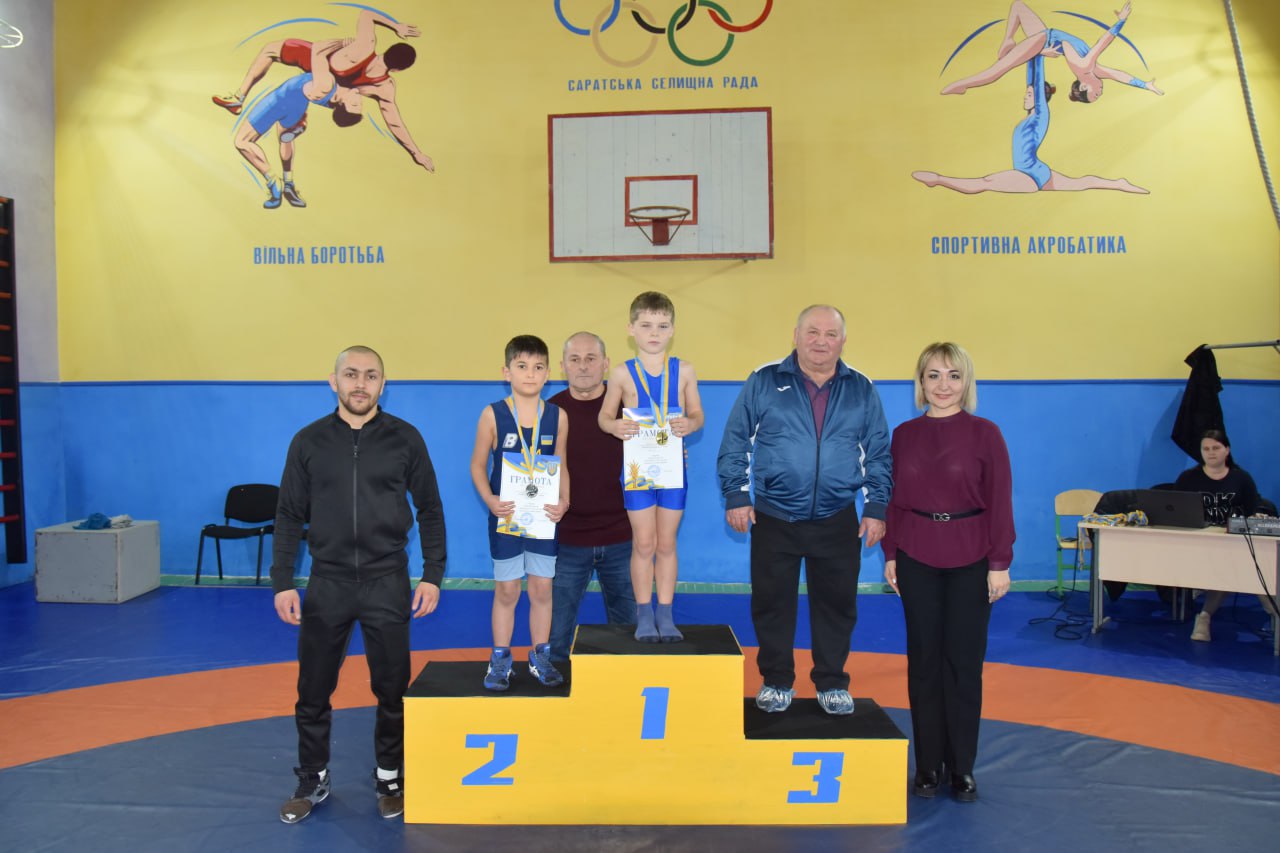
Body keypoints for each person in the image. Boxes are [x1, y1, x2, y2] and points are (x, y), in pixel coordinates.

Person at [270, 345, 446, 824]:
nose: (360, 384)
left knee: (392, 688)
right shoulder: (308, 441)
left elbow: (430, 508)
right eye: (351, 374)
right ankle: (313, 777)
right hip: (326, 582)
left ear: (383, 384)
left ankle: (389, 776)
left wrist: (432, 574)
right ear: (334, 381)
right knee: (313, 689)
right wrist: (282, 581)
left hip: (387, 580)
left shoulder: (405, 438)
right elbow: (288, 514)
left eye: (371, 375)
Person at [717, 305, 892, 716]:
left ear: (843, 341)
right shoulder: (764, 380)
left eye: (830, 334)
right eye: (812, 332)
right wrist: (737, 495)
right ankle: (776, 680)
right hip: (774, 516)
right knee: (772, 603)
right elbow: (736, 440)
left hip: (837, 517)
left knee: (837, 605)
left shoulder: (861, 388)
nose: (820, 341)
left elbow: (878, 452)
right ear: (795, 335)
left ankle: (831, 681)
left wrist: (876, 506)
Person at [882, 342, 1014, 803]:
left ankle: (962, 767)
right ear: (920, 382)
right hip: (916, 556)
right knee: (923, 664)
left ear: (966, 382)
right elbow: (892, 499)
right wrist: (891, 553)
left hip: (972, 559)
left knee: (963, 664)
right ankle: (928, 765)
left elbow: (1000, 501)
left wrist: (1000, 563)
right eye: (934, 375)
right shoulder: (903, 435)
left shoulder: (986, 434)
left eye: (953, 375)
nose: (943, 385)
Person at [598, 292, 704, 643]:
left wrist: (690, 424)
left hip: (672, 469)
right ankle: (644, 614)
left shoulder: (685, 371)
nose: (654, 333)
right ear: (631, 329)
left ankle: (666, 614)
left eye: (661, 326)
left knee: (666, 543)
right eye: (645, 325)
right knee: (643, 543)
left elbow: (697, 414)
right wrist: (614, 426)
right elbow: (604, 417)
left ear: (672, 329)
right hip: (638, 470)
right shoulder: (621, 374)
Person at [213, 9, 435, 172]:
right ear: (397, 69)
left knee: (269, 50)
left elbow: (367, 14)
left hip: (318, 64)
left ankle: (239, 97)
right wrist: (416, 153)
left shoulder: (364, 45)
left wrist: (396, 26)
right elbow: (394, 122)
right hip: (327, 87)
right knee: (322, 95)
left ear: (388, 50)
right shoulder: (384, 87)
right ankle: (298, 119)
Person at [470, 335, 570, 689]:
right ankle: (499, 660)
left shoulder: (557, 416)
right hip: (507, 515)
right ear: (507, 372)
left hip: (543, 517)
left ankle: (540, 657)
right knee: (508, 590)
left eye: (538, 367)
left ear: (548, 374)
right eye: (522, 366)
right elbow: (477, 465)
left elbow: (562, 464)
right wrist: (490, 499)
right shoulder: (493, 414)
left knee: (542, 589)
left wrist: (565, 501)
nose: (530, 374)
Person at [913, 51, 1148, 194]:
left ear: (1037, 98)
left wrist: (1040, 55)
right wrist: (1033, 54)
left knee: (984, 183)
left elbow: (1036, 79)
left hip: (1028, 176)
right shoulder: (1031, 117)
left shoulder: (1040, 115)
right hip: (1037, 170)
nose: (1025, 97)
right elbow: (1030, 79)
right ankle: (1118, 183)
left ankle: (938, 180)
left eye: (1029, 94)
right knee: (1081, 183)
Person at [546, 332, 637, 661]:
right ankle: (555, 680)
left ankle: (626, 682)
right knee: (556, 634)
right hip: (567, 539)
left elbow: (655, 457)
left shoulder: (628, 410)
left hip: (622, 537)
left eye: (590, 358)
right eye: (575, 359)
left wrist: (671, 455)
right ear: (563, 366)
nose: (583, 366)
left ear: (606, 364)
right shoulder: (548, 413)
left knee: (629, 632)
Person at [942, 2, 1161, 104]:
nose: (1100, 93)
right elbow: (1121, 74)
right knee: (1018, 6)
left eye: (1095, 95)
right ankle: (1008, 40)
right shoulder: (1093, 70)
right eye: (1097, 96)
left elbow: (1080, 45)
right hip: (1045, 37)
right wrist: (1145, 85)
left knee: (999, 69)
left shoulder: (1086, 67)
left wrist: (1040, 51)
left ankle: (960, 86)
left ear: (1083, 87)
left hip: (1043, 40)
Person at [233, 41, 363, 209]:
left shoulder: (327, 84)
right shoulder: (335, 96)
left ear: (341, 102)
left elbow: (318, 50)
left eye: (354, 104)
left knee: (242, 141)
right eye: (359, 105)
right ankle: (288, 183)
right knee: (285, 140)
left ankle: (273, 181)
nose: (359, 100)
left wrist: (343, 42)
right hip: (297, 108)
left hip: (280, 100)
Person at [1176, 429, 1276, 641]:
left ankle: (1206, 616)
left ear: (1227, 450)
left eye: (1216, 448)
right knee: (1228, 565)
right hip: (1197, 543)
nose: (1211, 452)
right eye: (1206, 449)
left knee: (1254, 565)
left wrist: (1257, 515)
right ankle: (1204, 617)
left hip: (1233, 544)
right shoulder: (1188, 478)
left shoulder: (1241, 478)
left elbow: (1255, 509)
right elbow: (1176, 510)